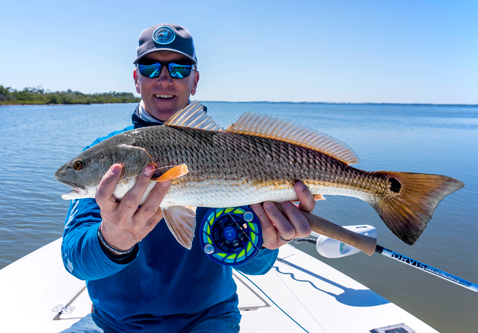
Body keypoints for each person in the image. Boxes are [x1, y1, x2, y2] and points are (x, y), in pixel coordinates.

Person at [61, 23, 315, 333]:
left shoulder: (232, 152)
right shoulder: (106, 155)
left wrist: (266, 242)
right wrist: (111, 240)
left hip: (207, 318)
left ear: (194, 81)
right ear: (136, 80)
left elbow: (257, 266)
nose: (164, 78)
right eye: (150, 67)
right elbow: (74, 259)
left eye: (180, 68)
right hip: (115, 323)